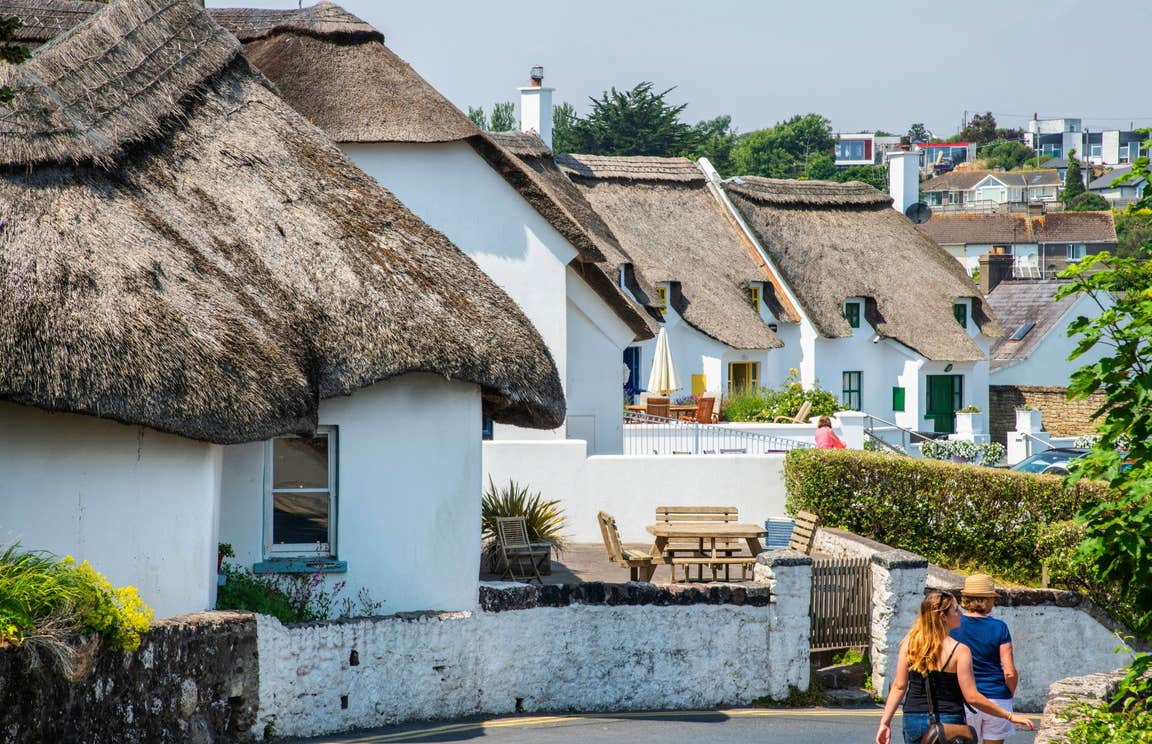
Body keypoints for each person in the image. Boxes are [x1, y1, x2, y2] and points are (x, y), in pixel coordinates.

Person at [876, 591, 1034, 744]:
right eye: (956, 609)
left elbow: (899, 686)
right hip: (949, 719)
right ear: (943, 617)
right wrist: (1008, 716)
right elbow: (972, 696)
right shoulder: (959, 651)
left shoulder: (909, 642)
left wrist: (885, 722)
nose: (960, 613)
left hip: (914, 718)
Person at [950, 574, 1018, 744]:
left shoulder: (954, 626)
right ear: (987, 600)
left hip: (963, 698)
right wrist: (1008, 693)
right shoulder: (999, 627)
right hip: (996, 698)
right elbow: (1009, 671)